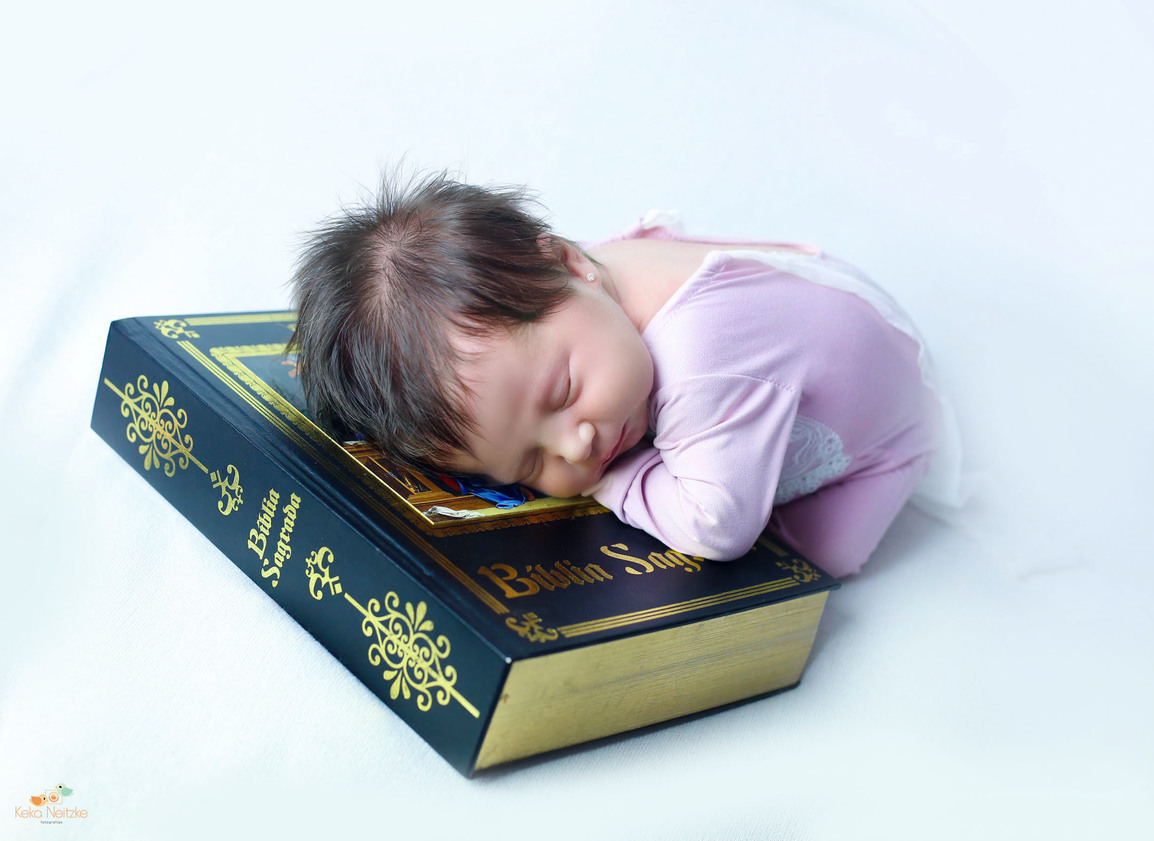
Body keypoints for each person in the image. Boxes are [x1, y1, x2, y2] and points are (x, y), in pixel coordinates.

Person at [289, 170, 961, 578]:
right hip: (816, 320)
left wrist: (613, 481)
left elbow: (718, 527)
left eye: (563, 393)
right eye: (528, 464)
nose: (575, 445)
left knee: (822, 558)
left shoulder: (699, 362)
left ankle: (905, 454)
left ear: (570, 264)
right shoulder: (580, 292)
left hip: (885, 419)